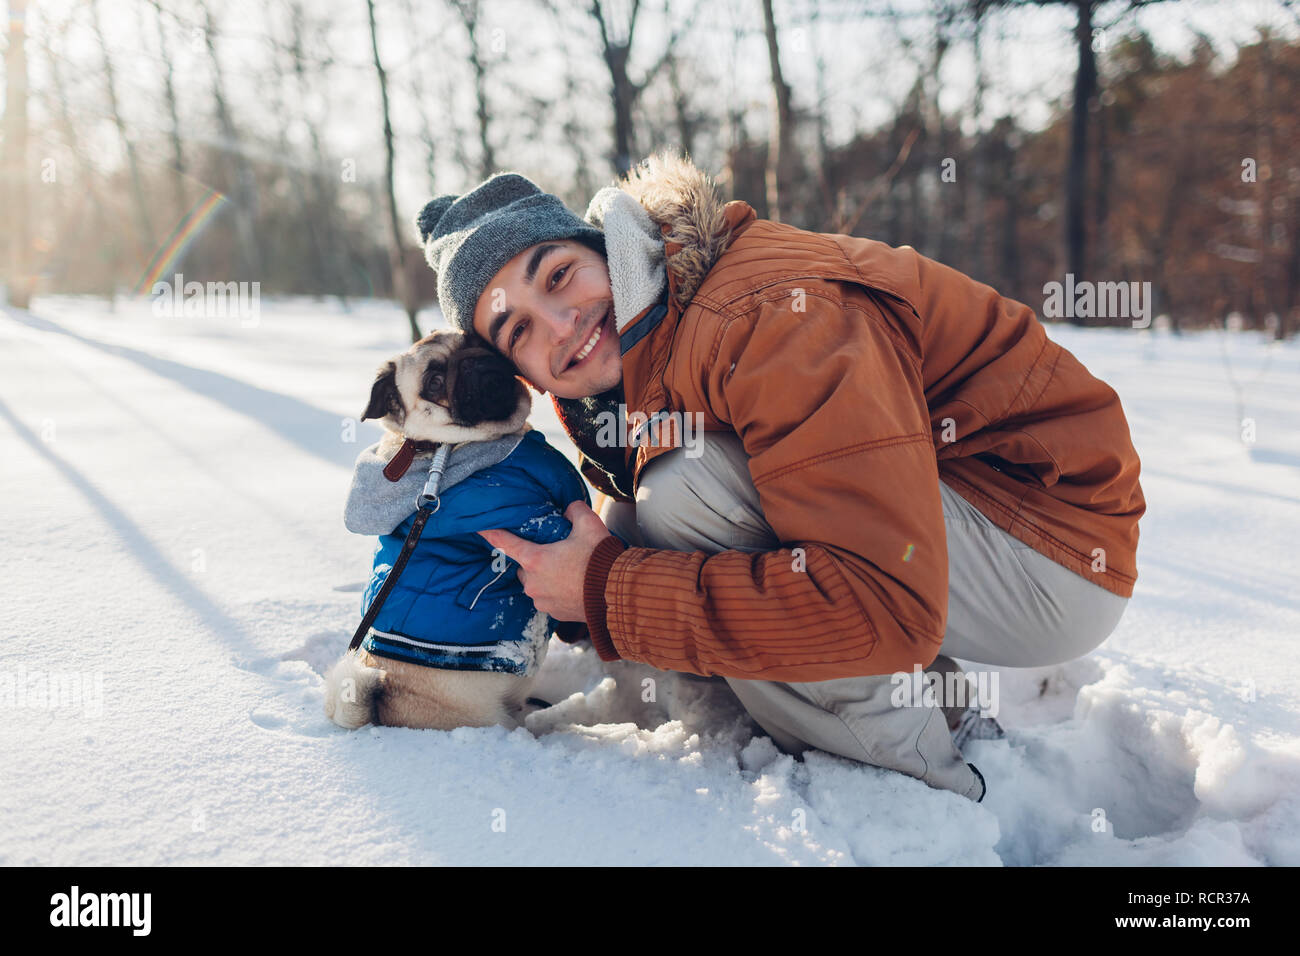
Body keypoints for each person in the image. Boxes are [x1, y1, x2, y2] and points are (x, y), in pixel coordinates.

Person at [412, 149, 1146, 802]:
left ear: (603, 248)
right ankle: (885, 714)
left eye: (560, 275)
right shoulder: (646, 357)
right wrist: (584, 591)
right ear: (525, 375)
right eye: (519, 330)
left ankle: (934, 789)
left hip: (1055, 545)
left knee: (682, 496)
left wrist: (608, 588)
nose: (561, 325)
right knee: (641, 517)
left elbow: (883, 602)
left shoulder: (765, 315)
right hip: (967, 529)